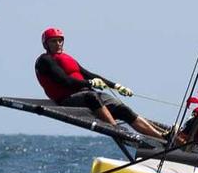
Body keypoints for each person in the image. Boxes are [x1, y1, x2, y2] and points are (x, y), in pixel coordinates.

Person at [34, 27, 165, 139]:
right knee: (92, 96)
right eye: (53, 41)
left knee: (123, 110)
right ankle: (118, 131)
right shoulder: (45, 60)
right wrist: (90, 83)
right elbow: (65, 81)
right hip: (67, 99)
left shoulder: (66, 58)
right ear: (46, 44)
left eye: (60, 40)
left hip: (87, 94)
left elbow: (89, 75)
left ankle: (162, 138)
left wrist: (116, 86)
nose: (58, 44)